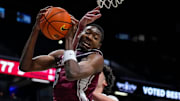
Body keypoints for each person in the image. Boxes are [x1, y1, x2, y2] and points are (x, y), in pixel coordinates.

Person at [19, 6, 104, 101]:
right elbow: (25, 66)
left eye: (95, 38)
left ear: (99, 46)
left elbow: (72, 74)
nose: (90, 37)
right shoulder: (62, 55)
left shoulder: (96, 58)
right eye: (87, 33)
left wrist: (69, 38)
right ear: (80, 34)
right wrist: (36, 29)